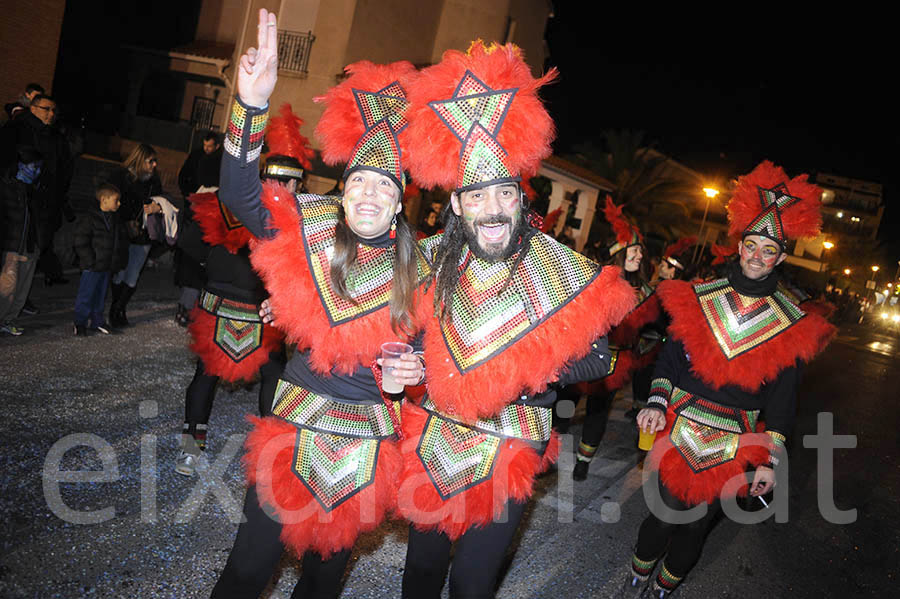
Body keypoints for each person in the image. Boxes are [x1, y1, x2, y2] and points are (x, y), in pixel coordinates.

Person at [396, 41, 635, 598]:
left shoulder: (556, 267)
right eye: (478, 198)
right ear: (458, 206)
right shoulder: (430, 259)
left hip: (509, 445)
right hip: (434, 438)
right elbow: (398, 331)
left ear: (519, 201)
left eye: (505, 193)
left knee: (474, 584)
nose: (494, 209)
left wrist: (527, 360)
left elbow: (600, 356)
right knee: (422, 573)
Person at [209, 9, 427, 598]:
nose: (370, 192)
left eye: (386, 184)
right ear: (343, 187)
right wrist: (250, 106)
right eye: (360, 180)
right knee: (249, 567)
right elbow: (238, 195)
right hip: (293, 426)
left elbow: (444, 352)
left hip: (369, 442)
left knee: (323, 579)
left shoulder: (425, 267)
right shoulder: (308, 230)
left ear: (399, 202)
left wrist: (419, 370)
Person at [625, 161, 836, 598]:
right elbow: (669, 360)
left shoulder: (792, 324)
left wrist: (770, 462)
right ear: (739, 246)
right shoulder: (698, 299)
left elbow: (783, 399)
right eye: (751, 245)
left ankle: (667, 584)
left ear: (780, 257)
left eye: (768, 250)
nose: (757, 256)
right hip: (679, 429)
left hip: (735, 443)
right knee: (663, 515)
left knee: (696, 527)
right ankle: (638, 576)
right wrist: (656, 402)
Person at [174, 108, 311, 477]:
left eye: (292, 184)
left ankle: (269, 453)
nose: (285, 191)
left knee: (275, 377)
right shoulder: (223, 206)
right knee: (207, 375)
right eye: (279, 182)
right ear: (266, 180)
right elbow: (189, 247)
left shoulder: (305, 222)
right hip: (218, 307)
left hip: (266, 314)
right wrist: (191, 287)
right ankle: (191, 447)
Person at [569, 196, 663, 480]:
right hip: (581, 354)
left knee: (598, 410)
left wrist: (644, 343)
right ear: (618, 253)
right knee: (564, 406)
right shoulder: (595, 281)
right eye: (631, 250)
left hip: (615, 361)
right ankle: (547, 452)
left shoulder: (646, 292)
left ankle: (583, 461)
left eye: (639, 251)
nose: (637, 255)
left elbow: (654, 329)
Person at [103, 143, 163, 328]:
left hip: (144, 233)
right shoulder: (121, 177)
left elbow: (162, 200)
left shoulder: (154, 181)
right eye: (150, 161)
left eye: (155, 161)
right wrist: (123, 220)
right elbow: (109, 202)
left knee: (133, 274)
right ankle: (116, 309)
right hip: (123, 232)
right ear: (139, 160)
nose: (154, 165)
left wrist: (157, 207)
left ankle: (119, 308)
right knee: (120, 271)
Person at [173, 132, 222, 327]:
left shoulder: (201, 195)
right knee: (194, 281)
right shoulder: (213, 198)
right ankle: (186, 311)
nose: (206, 149)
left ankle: (185, 310)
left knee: (191, 281)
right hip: (199, 251)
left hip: (193, 250)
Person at [71, 183, 128, 335]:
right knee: (86, 295)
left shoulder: (114, 219)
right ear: (104, 199)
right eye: (116, 200)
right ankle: (80, 322)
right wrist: (90, 261)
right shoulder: (89, 218)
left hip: (106, 266)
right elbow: (80, 240)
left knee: (100, 296)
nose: (119, 204)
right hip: (92, 266)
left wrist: (115, 262)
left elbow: (117, 242)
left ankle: (97, 321)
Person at [0, 146, 43, 336]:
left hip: (29, 246)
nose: (37, 171)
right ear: (20, 165)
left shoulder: (32, 190)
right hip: (11, 247)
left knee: (22, 288)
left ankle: (8, 320)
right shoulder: (6, 187)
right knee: (6, 288)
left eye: (39, 167)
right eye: (34, 167)